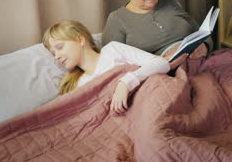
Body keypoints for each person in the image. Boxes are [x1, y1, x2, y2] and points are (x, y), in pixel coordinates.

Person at [42, 20, 187, 114]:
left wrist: (126, 82)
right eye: (53, 53)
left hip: (148, 106)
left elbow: (161, 63)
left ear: (80, 40)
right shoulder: (79, 84)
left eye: (59, 47)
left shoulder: (112, 50)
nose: (57, 56)